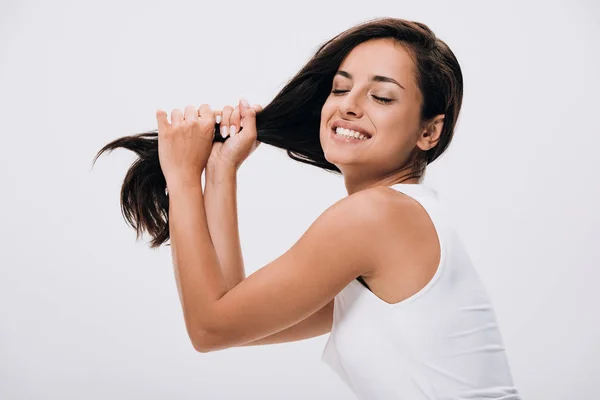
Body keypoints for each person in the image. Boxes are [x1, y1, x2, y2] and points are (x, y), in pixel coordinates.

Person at [94, 17, 520, 399]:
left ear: (429, 131)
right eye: (340, 87)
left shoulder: (377, 215)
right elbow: (234, 318)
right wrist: (221, 169)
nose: (348, 104)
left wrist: (183, 177)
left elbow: (209, 328)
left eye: (382, 97)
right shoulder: (396, 222)